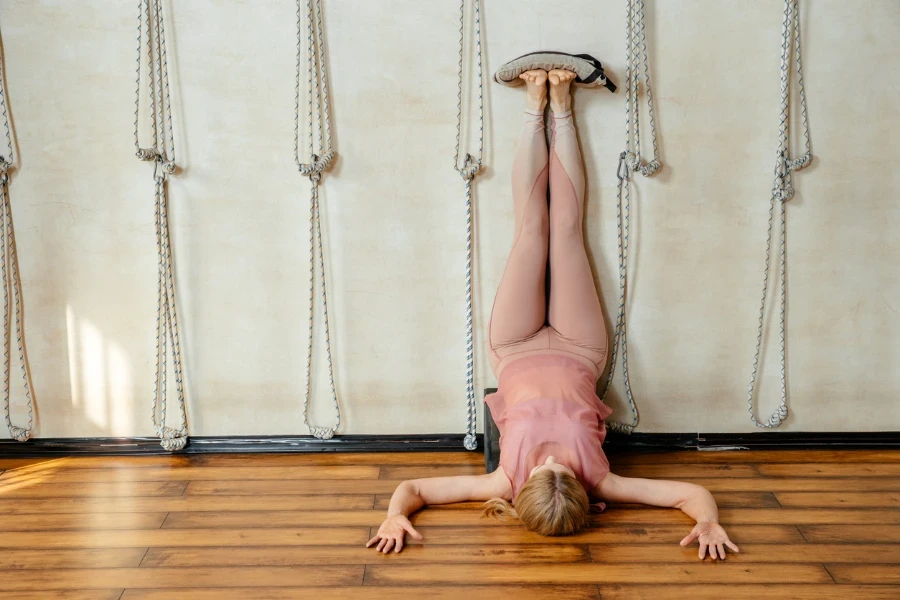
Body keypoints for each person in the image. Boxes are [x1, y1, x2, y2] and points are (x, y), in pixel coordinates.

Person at [367, 69, 739, 560]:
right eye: (563, 472)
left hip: (515, 348)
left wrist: (395, 514)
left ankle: (531, 101)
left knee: (531, 230)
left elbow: (415, 488)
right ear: (587, 494)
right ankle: (561, 104)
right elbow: (689, 495)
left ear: (519, 491)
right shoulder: (603, 479)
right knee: (564, 229)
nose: (549, 462)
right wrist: (708, 523)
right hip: (579, 349)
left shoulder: (502, 479)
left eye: (545, 473)